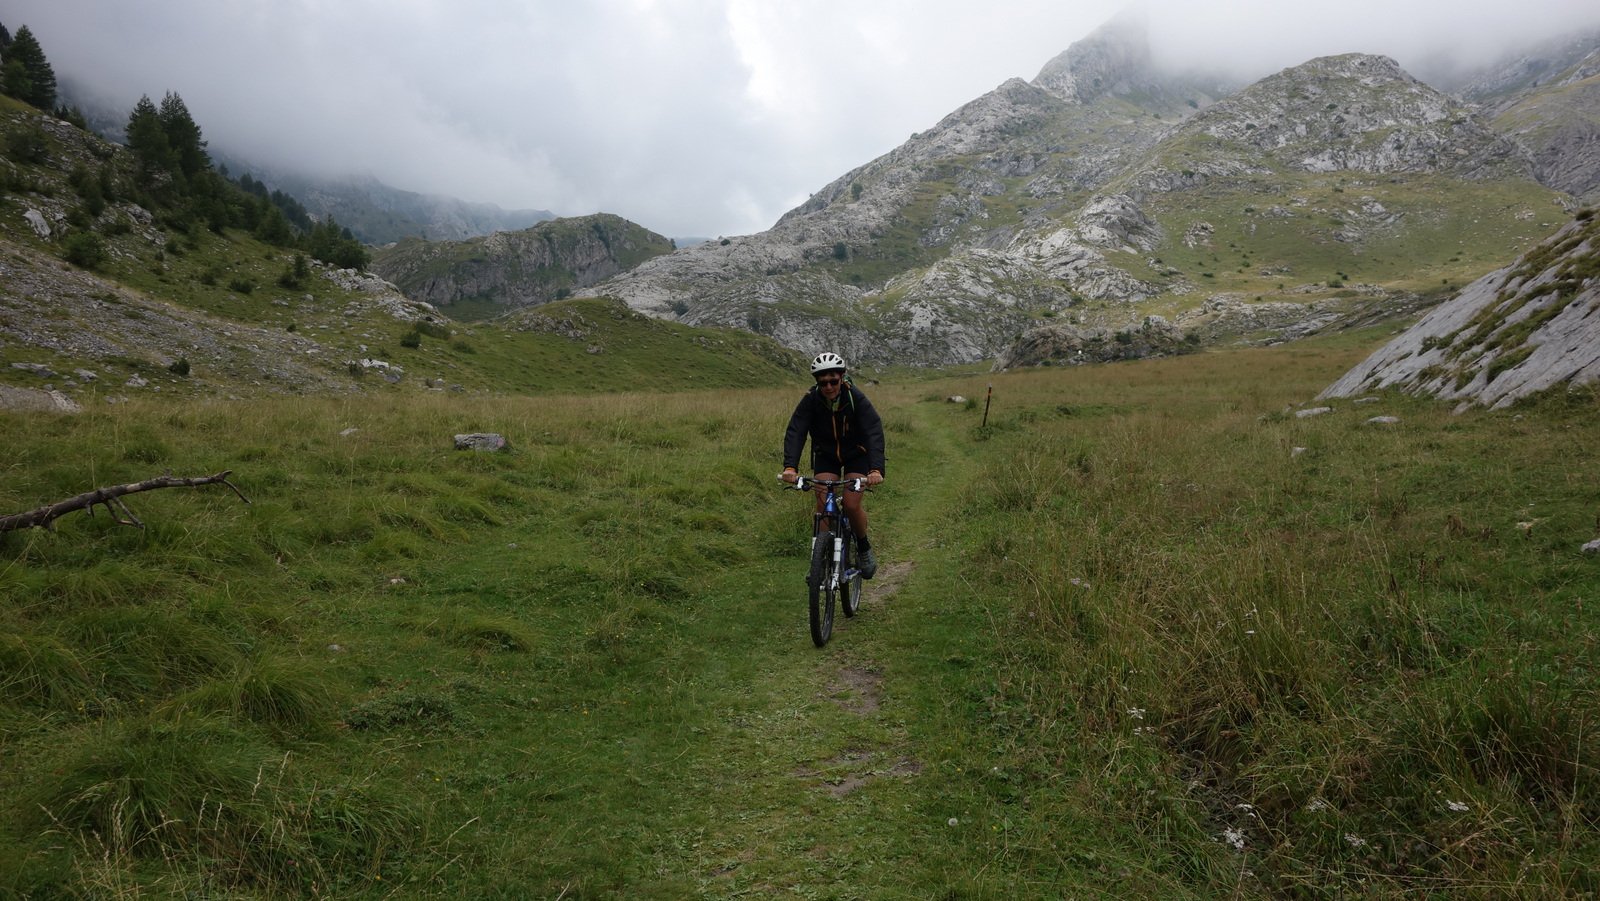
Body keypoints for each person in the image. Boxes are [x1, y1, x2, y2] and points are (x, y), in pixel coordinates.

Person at [780, 351, 885, 578]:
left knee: (850, 503)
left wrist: (876, 469)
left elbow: (873, 431)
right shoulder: (811, 400)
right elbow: (796, 431)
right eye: (823, 382)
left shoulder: (855, 398)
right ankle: (819, 563)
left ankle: (864, 547)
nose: (828, 387)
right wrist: (790, 467)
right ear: (817, 382)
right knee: (822, 505)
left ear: (842, 377)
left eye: (833, 381)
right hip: (826, 455)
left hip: (856, 454)